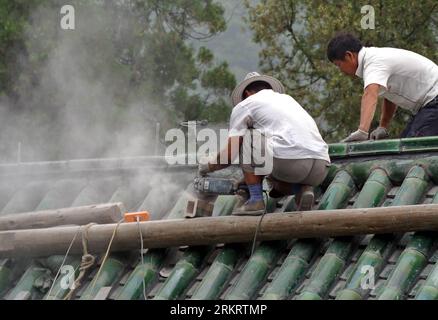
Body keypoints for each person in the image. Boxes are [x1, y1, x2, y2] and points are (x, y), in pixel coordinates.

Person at [198, 72, 331, 216]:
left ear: (247, 94)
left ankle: (256, 200)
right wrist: (248, 179)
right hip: (320, 167)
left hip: (292, 163)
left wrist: (207, 166)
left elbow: (230, 155)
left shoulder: (245, 105)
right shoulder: (287, 100)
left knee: (247, 138)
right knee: (273, 183)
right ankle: (301, 190)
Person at [327, 33, 438, 142]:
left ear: (349, 56)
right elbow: (390, 95)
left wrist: (362, 131)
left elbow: (370, 95)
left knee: (413, 148)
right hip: (430, 103)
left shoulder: (373, 63)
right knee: (404, 144)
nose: (340, 70)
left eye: (339, 65)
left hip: (434, 99)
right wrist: (383, 127)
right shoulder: (374, 59)